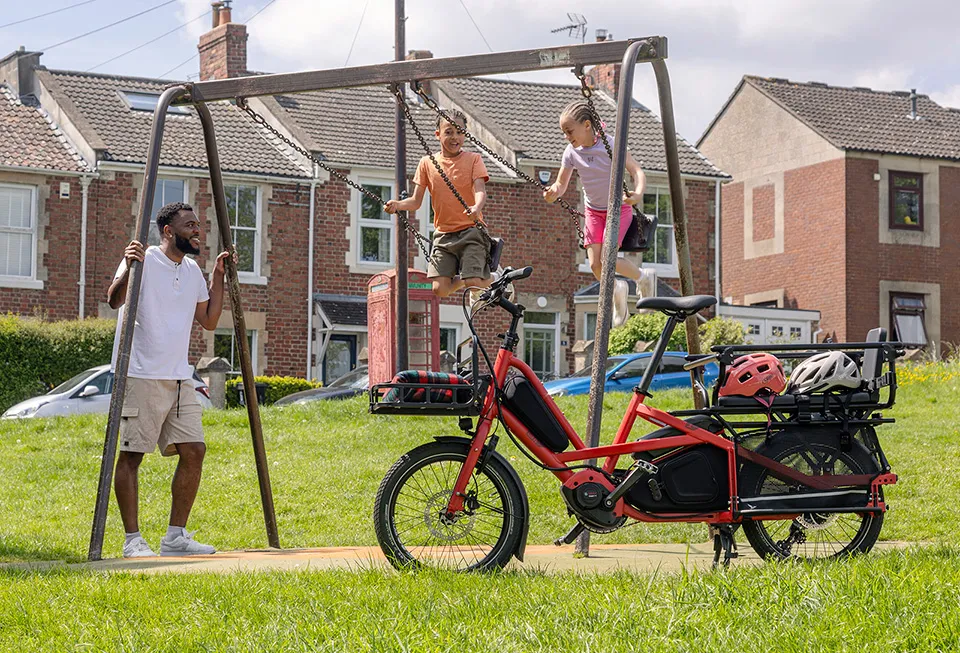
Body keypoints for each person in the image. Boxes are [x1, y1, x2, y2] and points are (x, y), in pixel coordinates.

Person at [106, 202, 231, 558]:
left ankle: (175, 537)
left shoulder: (192, 271)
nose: (197, 231)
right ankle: (133, 540)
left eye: (198, 225)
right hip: (141, 373)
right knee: (132, 456)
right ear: (167, 231)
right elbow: (114, 300)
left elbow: (208, 320)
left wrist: (218, 276)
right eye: (190, 225)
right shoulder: (142, 259)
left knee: (194, 450)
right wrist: (130, 268)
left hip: (179, 376)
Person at [543, 100, 656, 327]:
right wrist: (553, 192)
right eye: (563, 132)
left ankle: (644, 278)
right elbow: (561, 184)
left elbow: (637, 171)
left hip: (617, 208)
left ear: (587, 125)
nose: (566, 137)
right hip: (593, 211)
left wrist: (638, 194)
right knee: (595, 265)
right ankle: (618, 289)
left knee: (608, 258)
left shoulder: (610, 144)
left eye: (569, 131)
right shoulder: (571, 152)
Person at [385, 109, 493, 299]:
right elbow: (416, 201)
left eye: (460, 132)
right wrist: (397, 205)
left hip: (471, 230)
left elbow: (480, 190)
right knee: (440, 289)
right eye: (449, 131)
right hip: (443, 235)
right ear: (438, 134)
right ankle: (466, 278)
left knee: (474, 283)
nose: (455, 137)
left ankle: (497, 277)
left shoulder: (473, 160)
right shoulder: (427, 163)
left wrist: (476, 208)